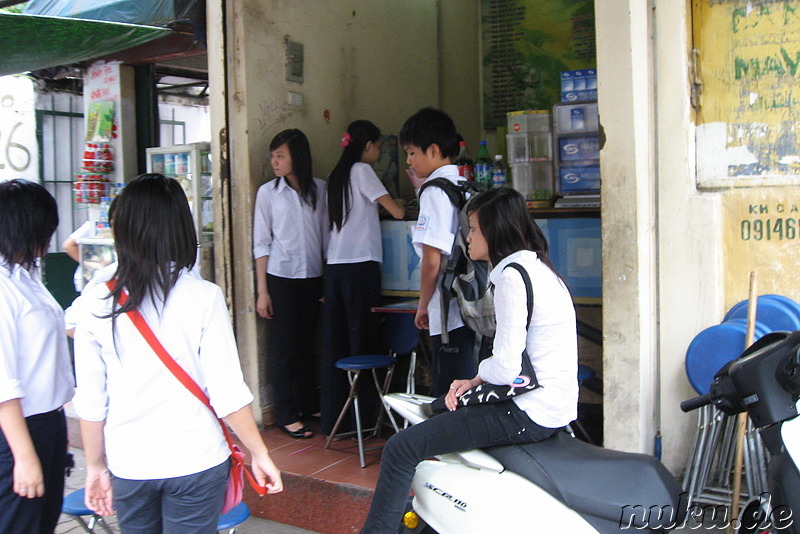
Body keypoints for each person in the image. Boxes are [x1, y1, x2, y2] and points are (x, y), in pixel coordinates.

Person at [360, 187, 578, 533]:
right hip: (554, 408)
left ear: (494, 231)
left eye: (474, 228)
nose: (468, 236)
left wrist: (476, 377)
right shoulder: (537, 267)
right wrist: (477, 380)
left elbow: (506, 367)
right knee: (440, 408)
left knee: (402, 448)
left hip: (527, 411)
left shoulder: (510, 277)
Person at [73, 174, 283, 532]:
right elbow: (227, 393)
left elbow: (91, 400)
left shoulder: (95, 300)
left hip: (130, 464)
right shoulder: (203, 297)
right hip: (196, 460)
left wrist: (95, 466)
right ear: (180, 229)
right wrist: (259, 453)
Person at [320, 120, 405, 436]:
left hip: (336, 268)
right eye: (379, 146)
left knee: (336, 345)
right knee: (364, 342)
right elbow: (396, 212)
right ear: (367, 145)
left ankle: (335, 421)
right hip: (361, 267)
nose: (379, 152)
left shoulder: (335, 176)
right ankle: (368, 422)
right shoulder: (362, 171)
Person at [0, 179, 74, 534]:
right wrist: (25, 457)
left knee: (43, 521)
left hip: (47, 422)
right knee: (20, 523)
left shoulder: (24, 275)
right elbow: (3, 386)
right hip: (17, 430)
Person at [253, 129, 329, 439]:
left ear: (297, 156)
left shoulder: (320, 190)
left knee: (308, 345)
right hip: (280, 278)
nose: (274, 161)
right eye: (273, 155)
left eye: (280, 155)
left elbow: (325, 238)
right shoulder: (267, 193)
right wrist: (262, 291)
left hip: (312, 277)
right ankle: (285, 413)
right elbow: (261, 243)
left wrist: (327, 281)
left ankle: (309, 403)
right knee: (283, 348)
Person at [400, 107, 477, 396]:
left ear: (433, 150)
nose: (409, 161)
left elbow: (432, 259)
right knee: (468, 385)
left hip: (448, 309)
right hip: (473, 302)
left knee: (448, 392)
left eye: (411, 153)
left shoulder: (433, 192)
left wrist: (422, 305)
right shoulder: (464, 185)